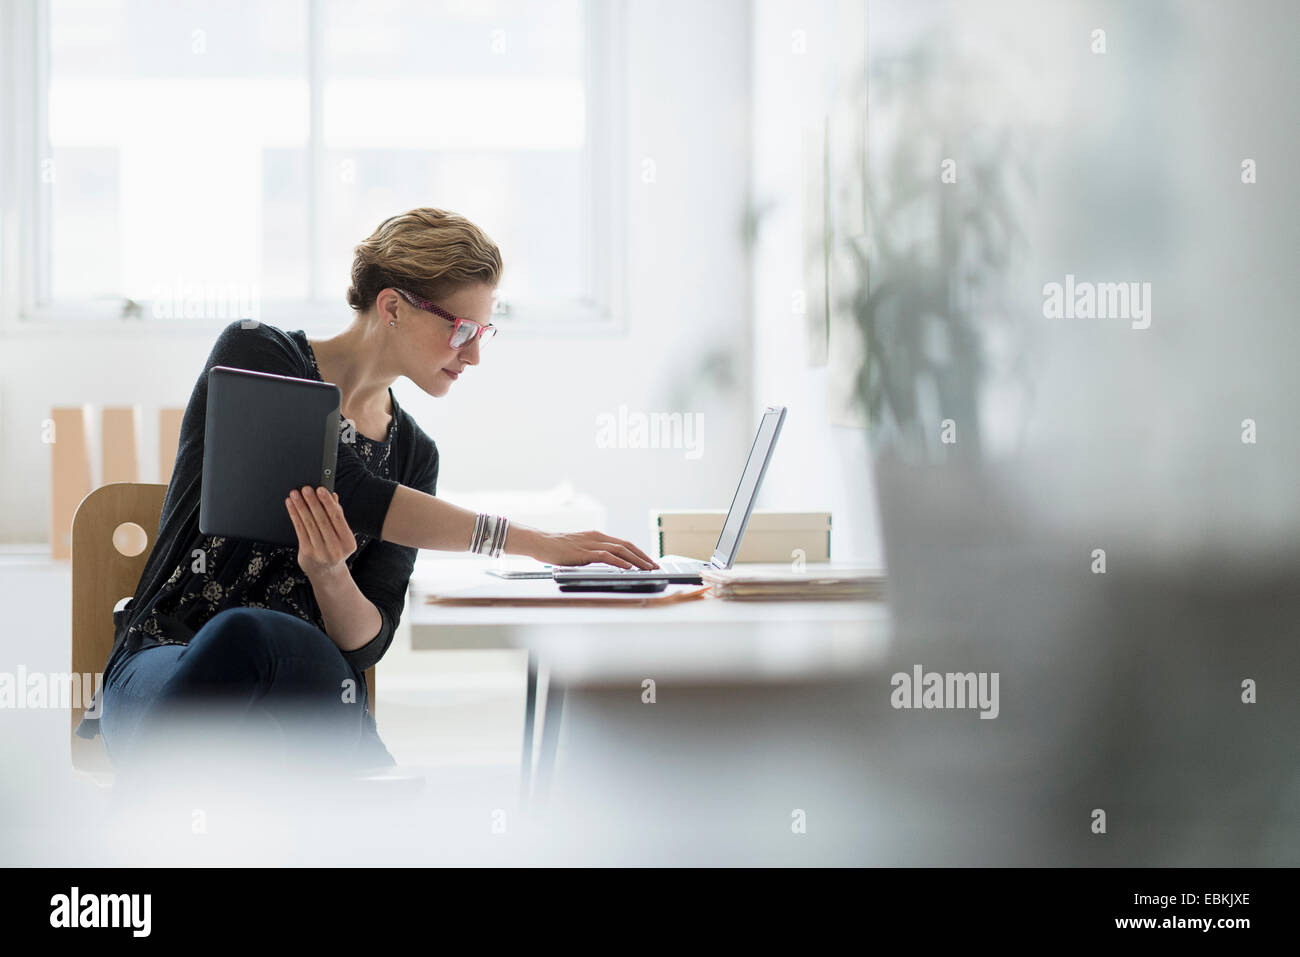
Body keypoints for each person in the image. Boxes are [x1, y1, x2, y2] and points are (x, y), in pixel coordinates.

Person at [79, 207, 658, 779]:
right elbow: (352, 489)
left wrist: (331, 576)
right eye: (461, 330)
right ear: (393, 307)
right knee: (244, 636)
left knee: (285, 670)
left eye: (483, 333)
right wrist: (537, 542)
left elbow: (368, 640)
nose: (475, 354)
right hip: (168, 658)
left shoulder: (415, 455)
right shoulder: (258, 354)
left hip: (306, 683)